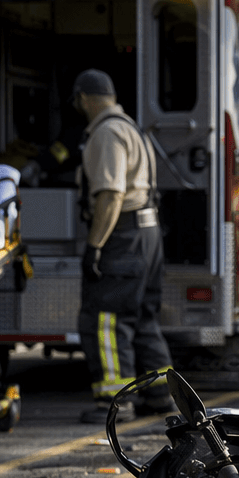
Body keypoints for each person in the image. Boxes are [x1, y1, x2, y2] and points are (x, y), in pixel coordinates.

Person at [72, 69, 173, 424]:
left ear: (84, 98)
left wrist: (94, 245)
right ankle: (162, 395)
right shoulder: (132, 128)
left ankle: (116, 401)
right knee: (143, 318)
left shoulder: (106, 132)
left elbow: (111, 195)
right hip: (148, 234)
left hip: (123, 236)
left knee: (105, 320)